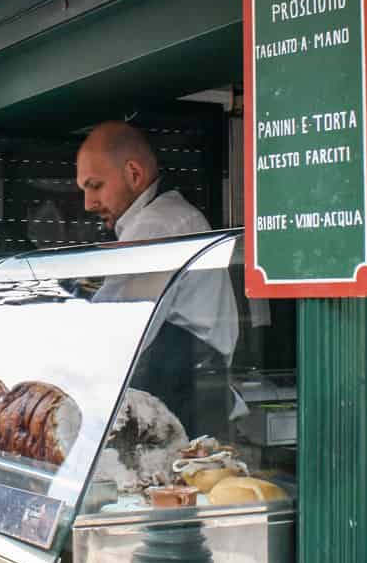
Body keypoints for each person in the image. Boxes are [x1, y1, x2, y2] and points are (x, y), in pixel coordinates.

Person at [75, 121, 244, 433]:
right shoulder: (163, 220)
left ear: (134, 174)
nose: (88, 203)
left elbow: (112, 333)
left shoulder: (158, 227)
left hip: (183, 409)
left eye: (95, 186)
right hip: (185, 399)